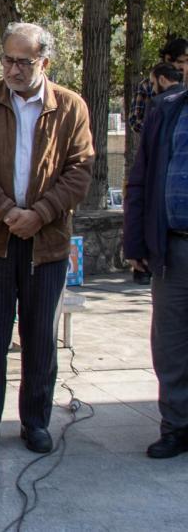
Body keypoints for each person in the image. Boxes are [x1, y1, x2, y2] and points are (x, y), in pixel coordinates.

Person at [0, 22, 94, 456]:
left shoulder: (70, 107)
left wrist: (40, 214)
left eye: (23, 62)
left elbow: (80, 171)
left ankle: (36, 422)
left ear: (44, 62)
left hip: (46, 244)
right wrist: (6, 211)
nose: (13, 70)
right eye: (8, 60)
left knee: (40, 339)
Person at [124, 75, 188, 459]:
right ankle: (176, 427)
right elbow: (140, 181)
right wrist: (135, 243)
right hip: (174, 249)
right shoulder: (166, 110)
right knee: (170, 345)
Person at [128, 36, 188, 134]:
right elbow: (135, 122)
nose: (184, 66)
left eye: (187, 61)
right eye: (180, 61)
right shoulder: (147, 85)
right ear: (167, 60)